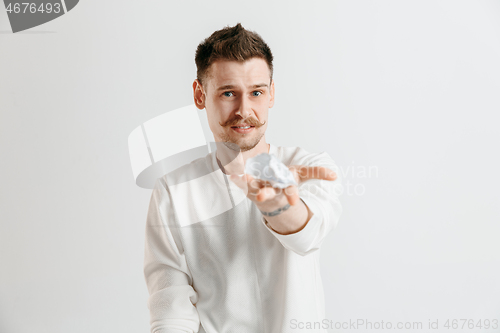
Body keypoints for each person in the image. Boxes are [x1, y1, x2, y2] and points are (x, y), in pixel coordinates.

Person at [143, 23, 343, 333]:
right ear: (200, 95)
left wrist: (277, 204)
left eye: (257, 92)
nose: (244, 109)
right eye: (228, 93)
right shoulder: (173, 191)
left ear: (271, 93)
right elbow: (171, 309)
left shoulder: (310, 167)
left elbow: (308, 235)